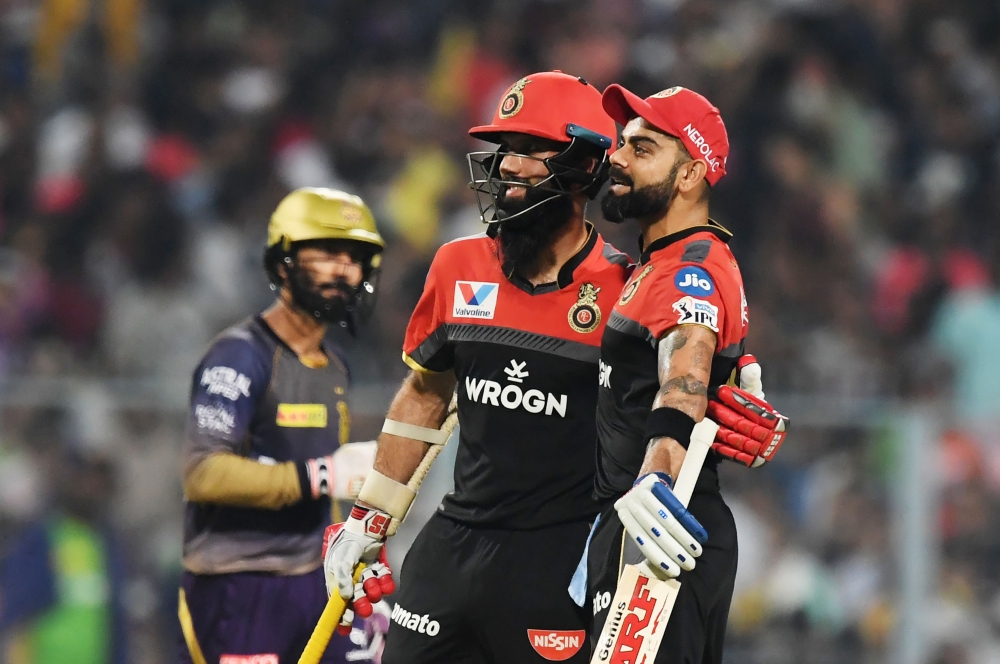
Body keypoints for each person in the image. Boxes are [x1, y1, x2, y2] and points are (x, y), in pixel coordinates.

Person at [322, 70, 632, 663]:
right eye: (505, 150)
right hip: (453, 545)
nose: (509, 167)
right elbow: (424, 395)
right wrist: (370, 517)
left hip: (557, 566)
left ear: (586, 167)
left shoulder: (625, 291)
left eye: (530, 151)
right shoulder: (457, 264)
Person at [586, 85, 786, 663]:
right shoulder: (670, 259)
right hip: (655, 525)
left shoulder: (687, 270)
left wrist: (656, 485)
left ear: (690, 174)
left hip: (660, 531)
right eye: (621, 143)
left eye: (642, 148)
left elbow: (687, 374)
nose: (617, 158)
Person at [177, 187, 385, 664]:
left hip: (313, 580)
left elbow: (325, 494)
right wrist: (323, 475)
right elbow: (203, 472)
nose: (343, 268)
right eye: (327, 252)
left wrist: (352, 576)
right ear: (283, 261)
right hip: (237, 584)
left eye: (355, 257)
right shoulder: (240, 354)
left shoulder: (335, 366)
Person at [0, 444, 127, 664]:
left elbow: (115, 620)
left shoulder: (107, 543)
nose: (92, 490)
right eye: (85, 481)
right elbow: (16, 613)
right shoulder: (40, 540)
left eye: (99, 482)